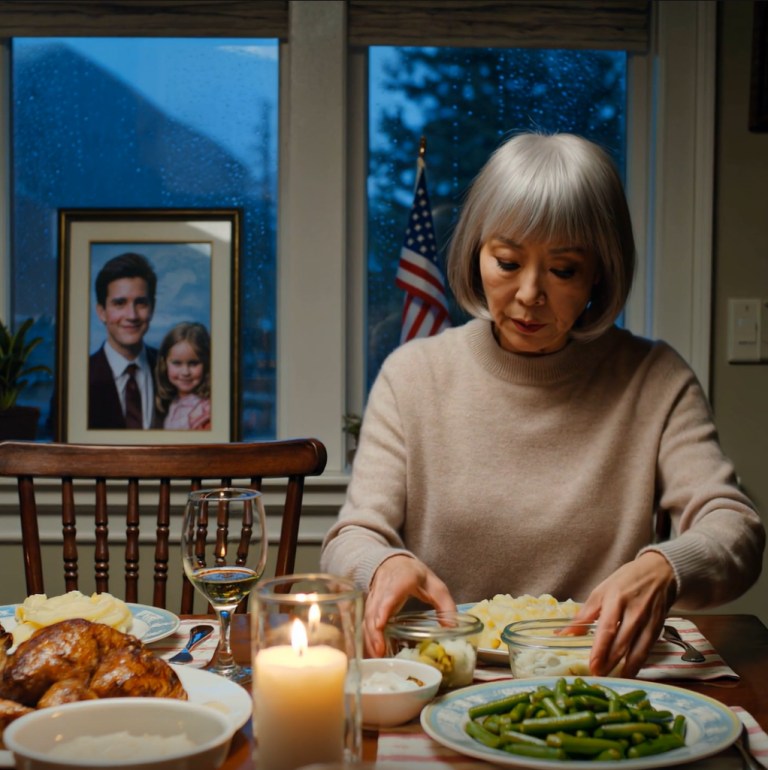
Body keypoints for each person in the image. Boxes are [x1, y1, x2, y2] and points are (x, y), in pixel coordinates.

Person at [321, 132, 765, 677]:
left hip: (596, 676)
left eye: (563, 271)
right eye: (507, 262)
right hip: (445, 675)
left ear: (600, 273)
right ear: (476, 252)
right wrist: (382, 562)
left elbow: (734, 527)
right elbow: (351, 538)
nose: (530, 294)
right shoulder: (412, 374)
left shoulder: (655, 378)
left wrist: (665, 565)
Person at [88, 252, 159, 430]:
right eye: (119, 303)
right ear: (101, 312)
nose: (132, 316)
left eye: (141, 303)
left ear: (152, 308)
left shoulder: (175, 372)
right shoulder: (77, 378)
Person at [155, 321, 211, 430]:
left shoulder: (206, 412)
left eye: (193, 363)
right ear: (164, 364)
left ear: (207, 363)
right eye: (177, 363)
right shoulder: (172, 403)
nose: (185, 372)